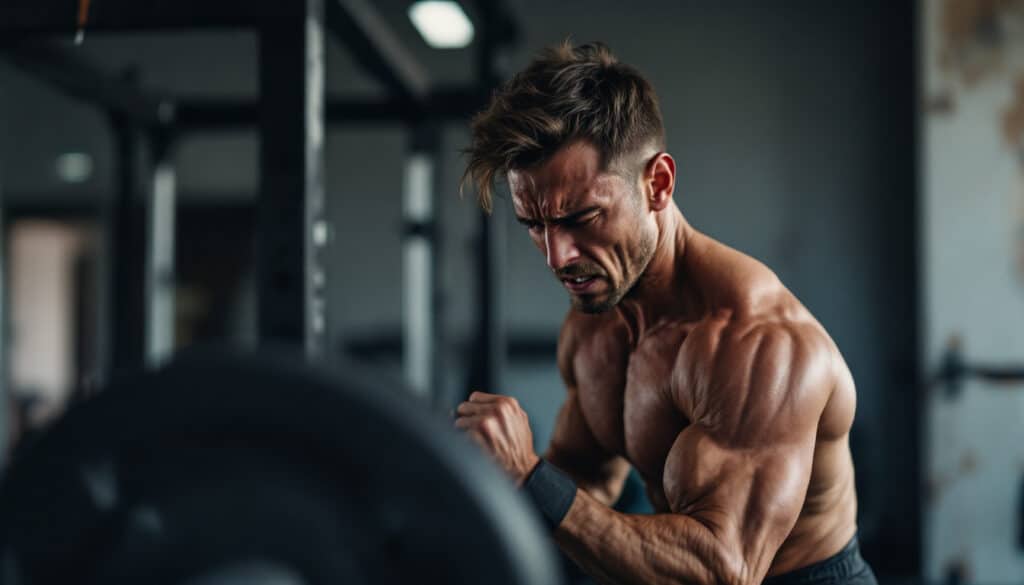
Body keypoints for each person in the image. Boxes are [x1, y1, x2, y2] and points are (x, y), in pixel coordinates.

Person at [455, 42, 877, 585]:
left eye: (582, 217)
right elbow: (584, 477)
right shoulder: (594, 326)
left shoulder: (758, 343)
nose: (559, 257)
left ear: (657, 184)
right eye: (535, 226)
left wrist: (530, 476)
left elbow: (723, 568)